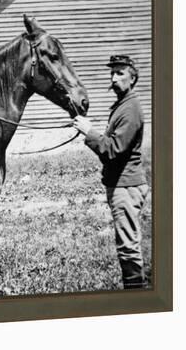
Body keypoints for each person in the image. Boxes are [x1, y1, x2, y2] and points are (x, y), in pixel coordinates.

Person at [73, 55, 149, 289]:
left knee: (128, 248)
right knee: (127, 244)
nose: (113, 78)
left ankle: (138, 299)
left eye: (120, 74)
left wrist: (89, 132)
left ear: (132, 78)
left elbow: (113, 150)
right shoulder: (124, 105)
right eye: (112, 73)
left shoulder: (130, 109)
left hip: (125, 187)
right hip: (121, 184)